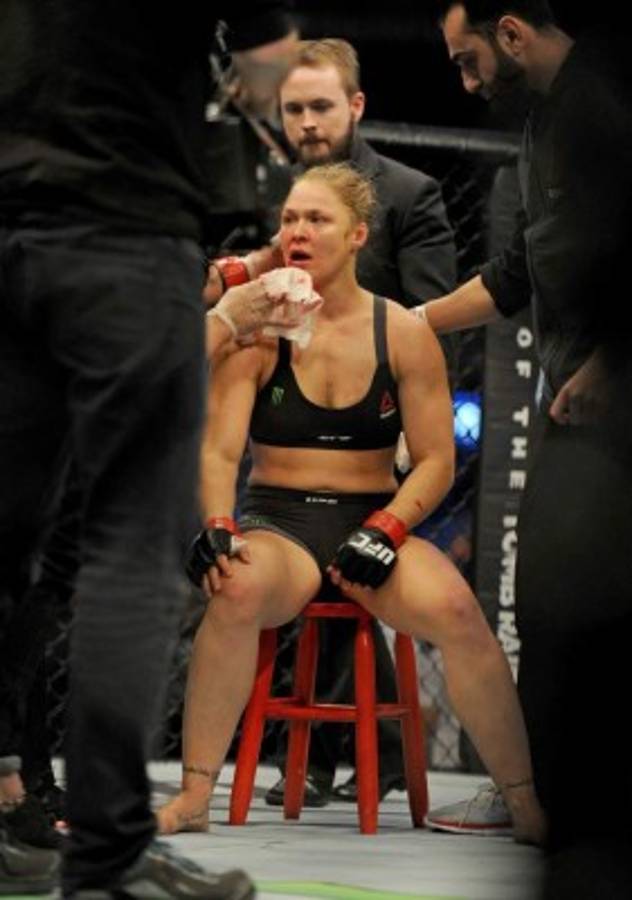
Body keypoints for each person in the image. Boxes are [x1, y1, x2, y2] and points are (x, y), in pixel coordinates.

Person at [155, 162, 546, 848]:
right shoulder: (259, 329)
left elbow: (437, 459)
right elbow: (218, 450)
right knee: (234, 588)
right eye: (289, 219)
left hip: (371, 522)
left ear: (358, 235)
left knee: (460, 612)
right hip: (280, 525)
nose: (297, 232)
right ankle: (193, 795)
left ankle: (524, 801)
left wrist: (389, 526)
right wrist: (217, 524)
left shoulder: (402, 332)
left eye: (317, 219)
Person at [0, 2, 299, 897]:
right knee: (127, 552)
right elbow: (269, 56)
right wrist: (237, 103)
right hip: (124, 230)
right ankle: (109, 854)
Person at [415, 2, 632, 895]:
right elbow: (514, 276)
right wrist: (404, 324)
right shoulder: (544, 123)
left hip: (609, 396)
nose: (466, 83)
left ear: (510, 33)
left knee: (577, 603)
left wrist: (613, 362)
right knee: (547, 603)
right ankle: (548, 799)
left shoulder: (605, 101)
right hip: (573, 398)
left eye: (467, 60)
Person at [265, 37, 458, 809]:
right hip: (281, 423)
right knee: (295, 572)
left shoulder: (408, 194)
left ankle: (318, 757)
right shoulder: (269, 193)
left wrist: (408, 428)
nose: (307, 123)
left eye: (321, 106)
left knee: (347, 566)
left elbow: (431, 319)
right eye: (294, 109)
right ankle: (366, 754)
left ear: (356, 106)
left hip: (380, 430)